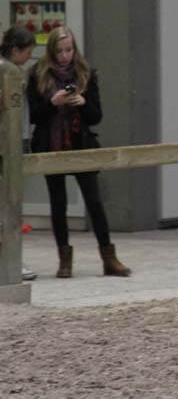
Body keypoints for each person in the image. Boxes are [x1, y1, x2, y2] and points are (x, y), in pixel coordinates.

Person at [27, 26, 131, 278]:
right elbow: (33, 115)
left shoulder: (86, 73)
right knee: (58, 203)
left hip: (80, 144)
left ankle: (109, 257)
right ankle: (64, 260)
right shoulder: (38, 74)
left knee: (94, 202)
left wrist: (83, 103)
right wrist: (53, 103)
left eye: (69, 50)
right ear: (51, 51)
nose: (65, 56)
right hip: (51, 145)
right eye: (59, 51)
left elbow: (96, 117)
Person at [1, 26, 38, 281]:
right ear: (15, 50)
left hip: (16, 141)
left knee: (12, 205)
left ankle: (13, 259)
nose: (29, 57)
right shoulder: (5, 71)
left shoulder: (18, 73)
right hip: (5, 144)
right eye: (27, 52)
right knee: (7, 206)